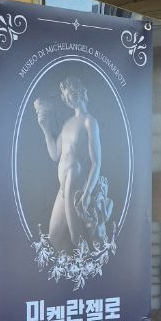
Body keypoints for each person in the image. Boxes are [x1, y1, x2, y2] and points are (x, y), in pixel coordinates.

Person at [33, 75, 113, 250]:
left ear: (78, 92)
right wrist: (45, 129)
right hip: (64, 184)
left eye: (68, 92)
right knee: (55, 236)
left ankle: (86, 265)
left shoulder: (89, 121)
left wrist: (88, 192)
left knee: (76, 236)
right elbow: (55, 154)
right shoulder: (67, 123)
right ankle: (71, 265)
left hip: (75, 178)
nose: (66, 97)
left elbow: (96, 162)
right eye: (64, 95)